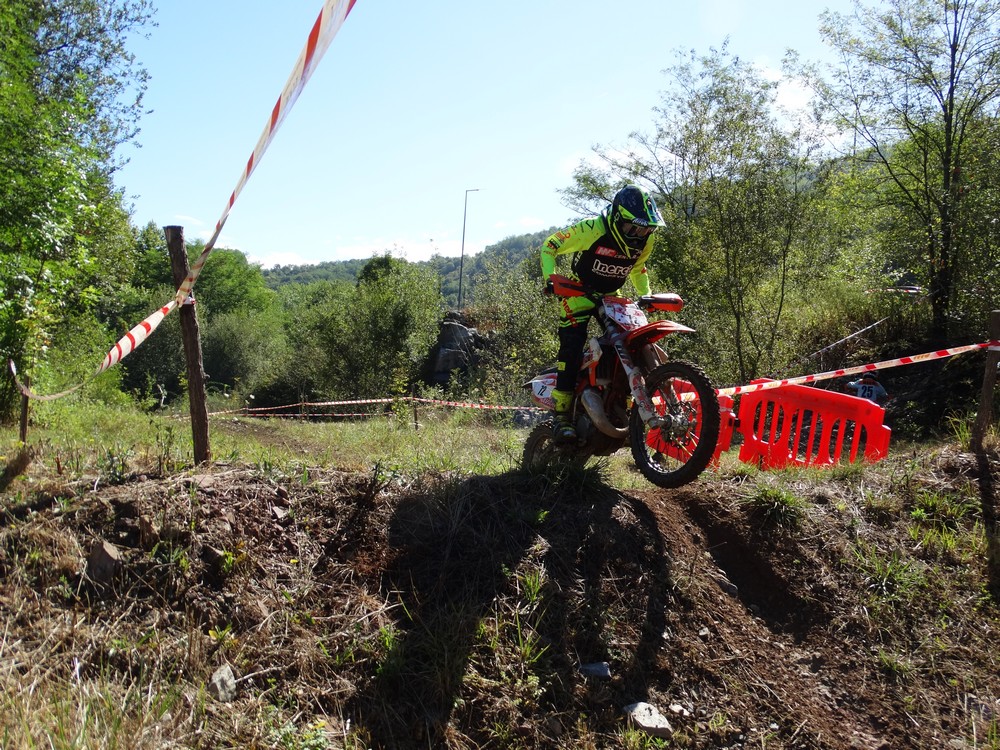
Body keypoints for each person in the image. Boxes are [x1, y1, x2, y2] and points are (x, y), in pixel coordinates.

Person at [539, 184, 665, 443]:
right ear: (618, 218)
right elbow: (549, 246)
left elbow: (639, 268)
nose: (641, 234)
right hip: (579, 292)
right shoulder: (592, 229)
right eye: (635, 228)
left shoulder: (647, 240)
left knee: (635, 339)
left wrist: (647, 295)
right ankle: (562, 416)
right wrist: (551, 280)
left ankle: (623, 402)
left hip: (612, 295)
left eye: (647, 229)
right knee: (572, 344)